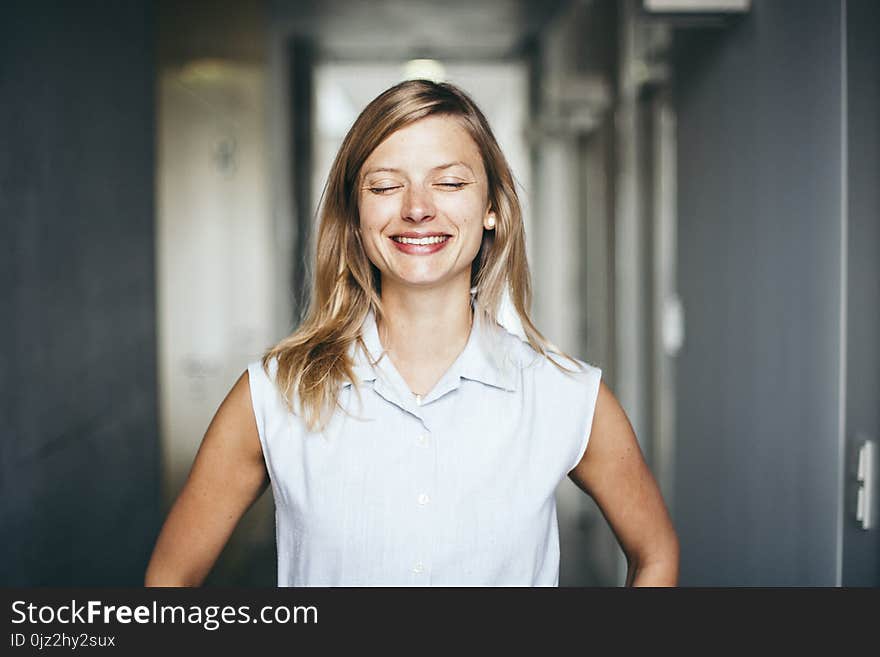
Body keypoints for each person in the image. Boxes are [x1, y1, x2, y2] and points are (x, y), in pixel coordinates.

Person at [144, 79, 679, 587]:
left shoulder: (565, 395)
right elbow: (170, 577)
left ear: (492, 207)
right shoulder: (273, 395)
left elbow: (655, 554)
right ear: (355, 213)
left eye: (449, 182)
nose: (418, 208)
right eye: (384, 185)